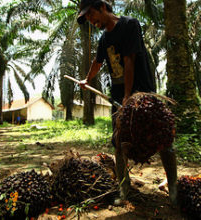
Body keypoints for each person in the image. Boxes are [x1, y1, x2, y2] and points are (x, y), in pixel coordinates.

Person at [77, 0, 178, 206]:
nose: (91, 20)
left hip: (142, 94)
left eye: (91, 15)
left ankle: (174, 187)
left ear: (102, 7)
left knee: (161, 138)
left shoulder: (130, 25)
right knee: (119, 142)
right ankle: (124, 188)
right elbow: (98, 62)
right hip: (118, 96)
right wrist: (87, 80)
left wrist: (128, 96)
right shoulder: (104, 38)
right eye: (87, 18)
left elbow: (129, 60)